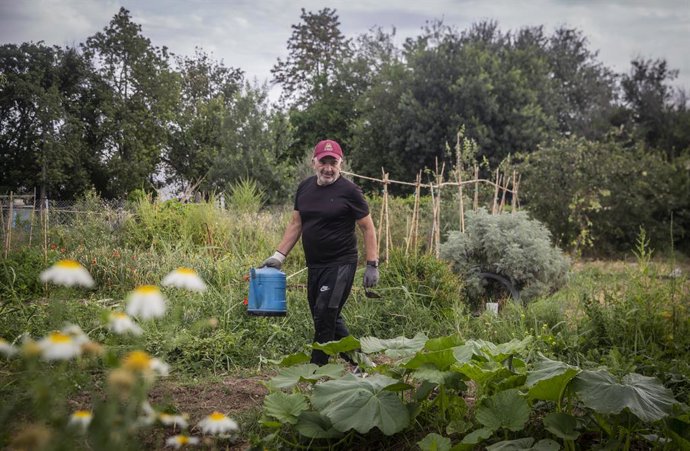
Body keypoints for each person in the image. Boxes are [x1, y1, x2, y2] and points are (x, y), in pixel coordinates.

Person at [261, 139, 379, 367]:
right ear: (313, 162)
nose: (328, 167)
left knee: (325, 315)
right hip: (315, 265)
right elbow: (296, 223)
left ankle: (316, 370)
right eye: (323, 161)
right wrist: (278, 256)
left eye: (333, 162)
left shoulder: (350, 191)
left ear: (340, 163)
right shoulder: (304, 188)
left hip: (341, 264)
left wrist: (372, 264)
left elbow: (367, 227)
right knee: (324, 315)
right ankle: (361, 363)